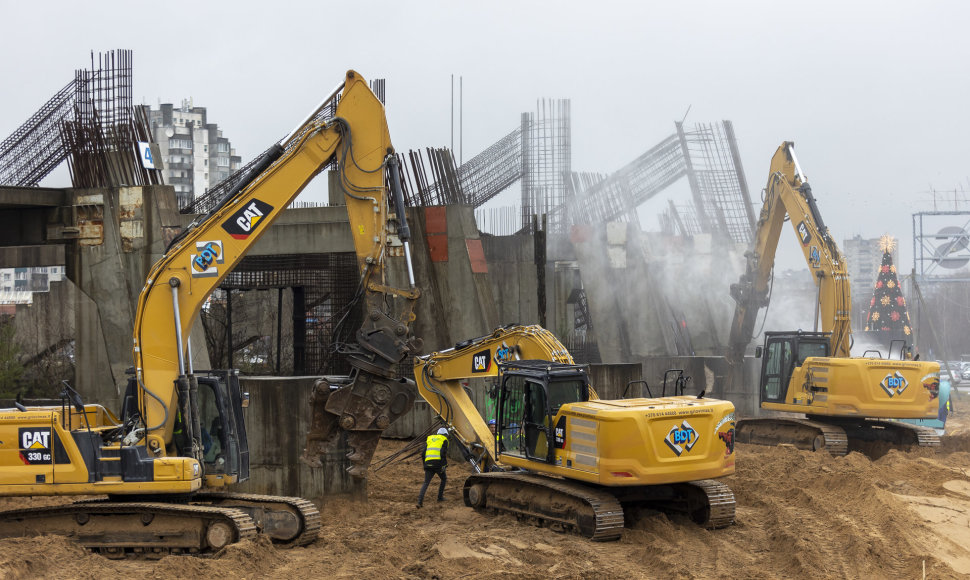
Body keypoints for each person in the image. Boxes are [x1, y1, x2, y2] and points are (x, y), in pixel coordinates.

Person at [417, 427, 449, 508]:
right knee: (443, 479)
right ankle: (440, 497)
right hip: (438, 464)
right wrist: (444, 465)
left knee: (426, 483)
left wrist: (425, 464)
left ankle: (419, 502)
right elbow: (442, 454)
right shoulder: (444, 440)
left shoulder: (430, 439)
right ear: (445, 435)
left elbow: (423, 454)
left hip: (428, 464)